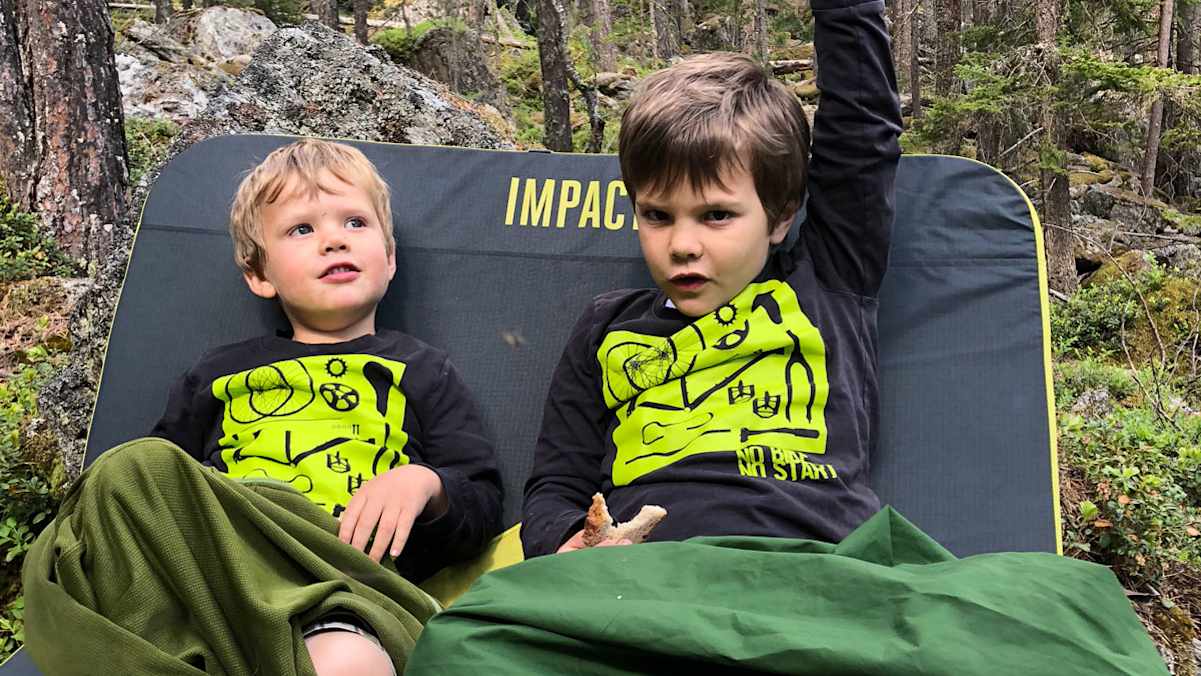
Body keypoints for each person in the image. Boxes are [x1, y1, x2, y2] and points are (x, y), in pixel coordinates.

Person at [23, 139, 502, 676]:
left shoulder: (420, 368)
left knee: (348, 662)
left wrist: (425, 485)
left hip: (342, 581)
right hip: (224, 584)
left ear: (389, 259)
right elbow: (162, 486)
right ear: (259, 274)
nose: (333, 241)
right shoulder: (218, 374)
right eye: (302, 229)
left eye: (355, 223)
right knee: (124, 470)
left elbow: (481, 502)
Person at [521, 0, 901, 557]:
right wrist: (568, 542)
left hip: (810, 572)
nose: (682, 244)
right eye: (656, 214)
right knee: (462, 641)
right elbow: (557, 484)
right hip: (640, 583)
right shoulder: (608, 328)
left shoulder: (827, 281)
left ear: (780, 216)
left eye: (716, 215)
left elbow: (864, 135)